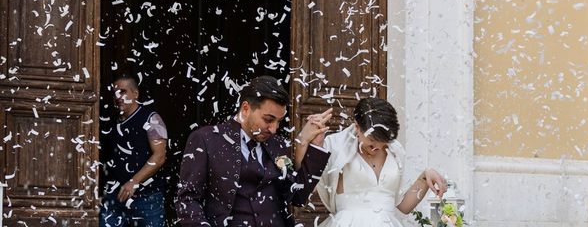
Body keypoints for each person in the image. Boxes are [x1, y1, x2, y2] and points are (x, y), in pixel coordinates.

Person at [176, 75, 332, 227]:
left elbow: (297, 196)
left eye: (278, 122)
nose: (274, 129)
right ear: (245, 109)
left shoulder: (278, 145)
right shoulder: (206, 139)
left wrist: (311, 145)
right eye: (268, 119)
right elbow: (188, 200)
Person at [297, 97, 447, 227]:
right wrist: (304, 141)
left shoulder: (395, 151)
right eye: (372, 142)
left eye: (384, 142)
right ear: (357, 127)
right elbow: (303, 183)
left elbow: (403, 207)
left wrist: (424, 178)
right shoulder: (335, 145)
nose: (378, 147)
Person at [100, 73, 168, 227]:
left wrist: (133, 182)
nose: (118, 96)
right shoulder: (110, 121)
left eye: (123, 91)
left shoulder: (151, 118)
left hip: (147, 197)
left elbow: (160, 156)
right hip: (114, 196)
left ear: (135, 94)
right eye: (115, 92)